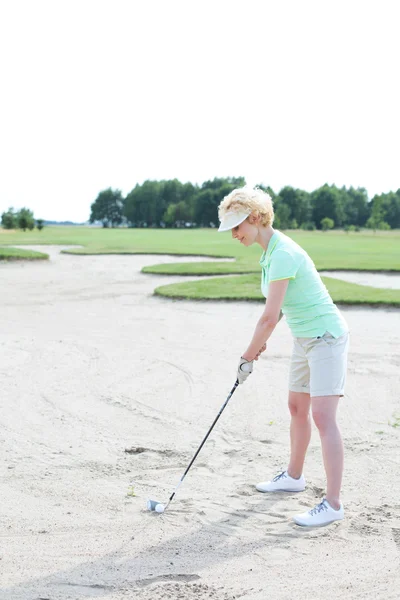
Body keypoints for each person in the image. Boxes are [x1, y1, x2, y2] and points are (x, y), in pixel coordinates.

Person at [218, 187, 349, 527]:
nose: (234, 234)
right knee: (296, 408)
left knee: (323, 416)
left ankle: (333, 504)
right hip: (305, 337)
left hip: (326, 337)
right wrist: (257, 345)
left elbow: (269, 317)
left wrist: (247, 356)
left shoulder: (282, 254)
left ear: (256, 218)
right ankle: (294, 476)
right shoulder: (269, 252)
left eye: (237, 226)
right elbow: (279, 314)